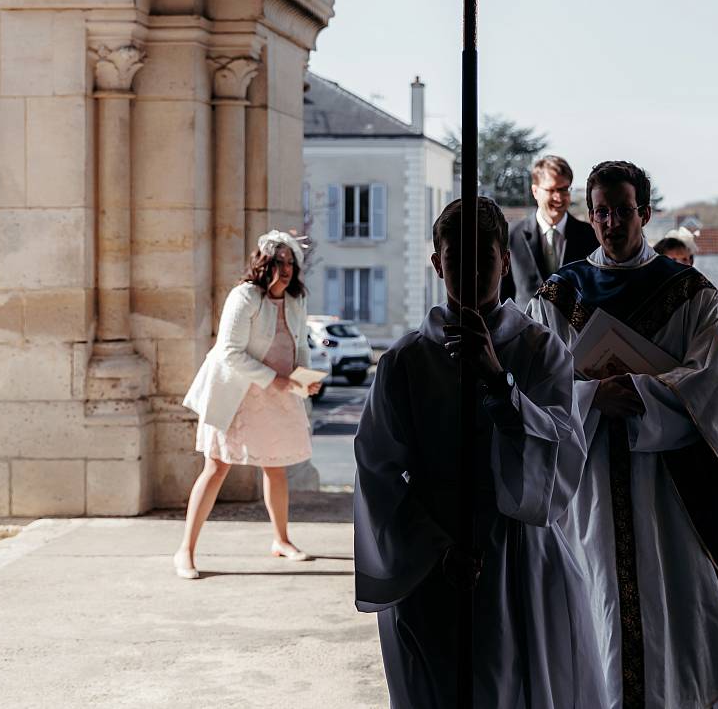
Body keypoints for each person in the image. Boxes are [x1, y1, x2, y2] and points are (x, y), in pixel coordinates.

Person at [353, 196, 605, 708]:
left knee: (509, 686)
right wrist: (434, 546)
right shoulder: (405, 360)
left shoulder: (540, 351)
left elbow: (563, 456)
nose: (469, 273)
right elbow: (376, 469)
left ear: (505, 260)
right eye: (455, 258)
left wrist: (499, 382)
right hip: (432, 557)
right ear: (436, 262)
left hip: (517, 551)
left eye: (483, 258)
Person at [529, 160, 718, 709]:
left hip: (668, 488)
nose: (610, 223)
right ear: (590, 215)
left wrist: (639, 394)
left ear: (645, 213)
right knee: (597, 606)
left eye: (622, 211)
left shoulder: (690, 294)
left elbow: (709, 385)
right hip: (590, 480)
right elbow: (537, 383)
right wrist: (591, 397)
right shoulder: (559, 294)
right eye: (600, 212)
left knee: (670, 606)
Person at [175, 230, 323, 579]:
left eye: (290, 262)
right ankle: (186, 551)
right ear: (264, 263)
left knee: (276, 466)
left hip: (279, 393)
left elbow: (300, 345)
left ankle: (281, 540)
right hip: (236, 394)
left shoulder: (296, 299)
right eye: (278, 262)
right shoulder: (244, 296)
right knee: (216, 467)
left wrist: (304, 378)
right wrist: (277, 380)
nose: (285, 269)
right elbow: (230, 352)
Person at [502, 154, 598, 309]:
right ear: (535, 191)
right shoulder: (512, 235)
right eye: (551, 190)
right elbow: (503, 295)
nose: (558, 197)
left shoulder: (589, 236)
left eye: (564, 189)